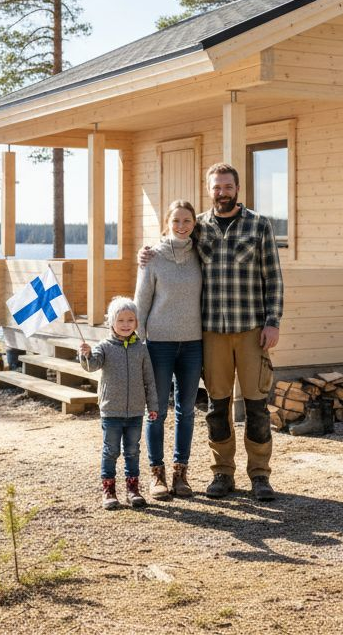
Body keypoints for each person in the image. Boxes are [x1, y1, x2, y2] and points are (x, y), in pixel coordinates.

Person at [140, 163, 284, 501]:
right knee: (217, 406)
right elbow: (171, 245)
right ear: (209, 190)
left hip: (251, 329)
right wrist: (144, 254)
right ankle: (222, 474)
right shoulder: (199, 227)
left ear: (237, 188)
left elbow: (273, 278)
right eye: (216, 187)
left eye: (227, 186)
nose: (222, 192)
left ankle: (260, 475)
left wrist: (273, 321)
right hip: (212, 333)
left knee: (257, 406)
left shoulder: (259, 225)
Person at [134, 199, 203, 500]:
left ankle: (180, 472)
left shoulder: (201, 254)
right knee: (156, 411)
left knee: (186, 411)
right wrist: (138, 340)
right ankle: (156, 474)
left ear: (194, 224)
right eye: (176, 220)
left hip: (193, 343)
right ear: (167, 222)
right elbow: (141, 302)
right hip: (159, 343)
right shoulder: (152, 257)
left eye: (187, 220)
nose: (181, 226)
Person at [79, 297, 159, 510]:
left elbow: (149, 379)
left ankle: (133, 490)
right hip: (111, 411)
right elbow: (91, 366)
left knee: (133, 451)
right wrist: (85, 354)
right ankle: (109, 490)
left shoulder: (141, 348)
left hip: (134, 411)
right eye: (121, 320)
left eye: (130, 320)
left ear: (136, 322)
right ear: (111, 323)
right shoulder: (104, 347)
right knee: (111, 450)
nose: (125, 324)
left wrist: (153, 406)